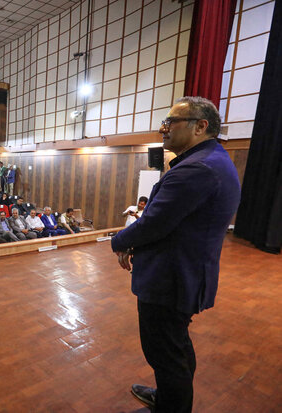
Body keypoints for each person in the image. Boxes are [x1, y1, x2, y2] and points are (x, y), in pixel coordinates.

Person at [111, 97, 241, 413]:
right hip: (183, 272)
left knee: (165, 352)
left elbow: (154, 224)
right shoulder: (212, 160)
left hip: (171, 279)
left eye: (171, 122)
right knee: (175, 347)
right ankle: (168, 397)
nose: (162, 129)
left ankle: (172, 406)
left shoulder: (196, 169)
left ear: (201, 126)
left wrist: (119, 241)